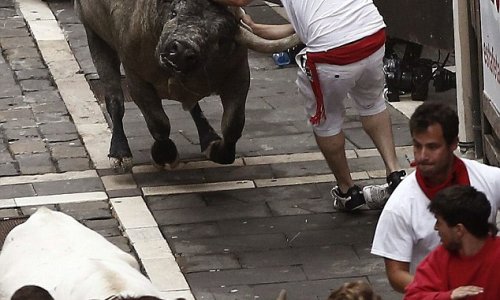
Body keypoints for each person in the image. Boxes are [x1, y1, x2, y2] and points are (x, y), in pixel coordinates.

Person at [213, 0, 406, 211]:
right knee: (372, 104)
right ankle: (395, 173)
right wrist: (256, 27)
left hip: (331, 53)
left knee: (327, 122)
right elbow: (305, 23)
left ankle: (347, 191)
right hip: (371, 34)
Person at [371, 101, 500, 293]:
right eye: (417, 145)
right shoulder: (399, 207)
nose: (422, 156)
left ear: (453, 144)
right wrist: (442, 292)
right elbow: (396, 273)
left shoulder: (491, 179)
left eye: (432, 147)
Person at [405, 185, 500, 299]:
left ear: (459, 230)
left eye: (439, 222)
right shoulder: (440, 257)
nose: (436, 227)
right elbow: (412, 296)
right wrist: (448, 296)